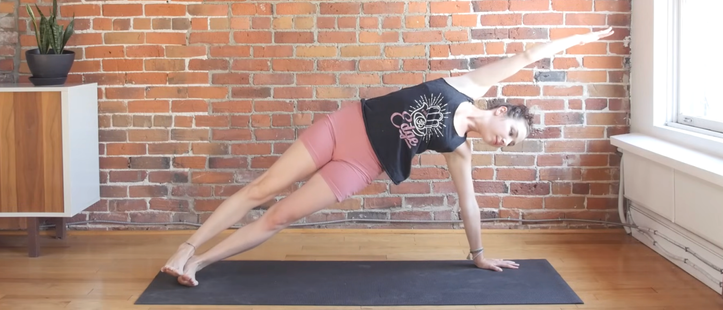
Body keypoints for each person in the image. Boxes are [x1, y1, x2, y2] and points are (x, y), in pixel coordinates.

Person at [161, 26, 616, 287]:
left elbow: (469, 203)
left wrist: (478, 255)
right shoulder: (470, 85)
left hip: (360, 166)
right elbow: (528, 53)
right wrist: (582, 38)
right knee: (263, 189)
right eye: (511, 133)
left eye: (513, 144)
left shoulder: (459, 151)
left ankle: (199, 264)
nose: (506, 142)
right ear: (502, 111)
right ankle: (186, 248)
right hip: (344, 125)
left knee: (279, 215)